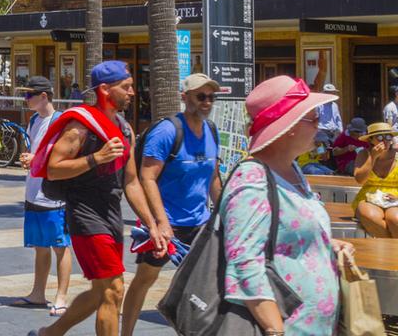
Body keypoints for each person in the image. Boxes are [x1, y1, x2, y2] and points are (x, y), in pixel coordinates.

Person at [27, 61, 163, 336]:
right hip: (84, 214)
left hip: (111, 215)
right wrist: (95, 158)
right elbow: (53, 169)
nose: (132, 92)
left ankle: (50, 333)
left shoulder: (124, 129)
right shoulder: (81, 126)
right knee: (113, 289)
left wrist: (152, 224)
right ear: (105, 89)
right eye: (126, 87)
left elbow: (131, 181)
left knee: (101, 290)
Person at [219, 75, 354, 335]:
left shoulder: (293, 170)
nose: (319, 127)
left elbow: (284, 234)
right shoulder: (252, 179)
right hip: (287, 328)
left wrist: (325, 244)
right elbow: (244, 261)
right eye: (313, 119)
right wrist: (274, 328)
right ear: (289, 125)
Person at [121, 73, 222, 336]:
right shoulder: (167, 131)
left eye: (211, 97)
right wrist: (160, 222)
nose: (207, 102)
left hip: (199, 224)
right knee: (145, 279)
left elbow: (213, 177)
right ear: (185, 97)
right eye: (201, 96)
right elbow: (147, 177)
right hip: (166, 224)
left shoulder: (211, 131)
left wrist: (224, 213)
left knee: (204, 285)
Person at [14, 76, 71, 317]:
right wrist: (31, 158)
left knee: (60, 246)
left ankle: (61, 296)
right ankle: (38, 292)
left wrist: (35, 159)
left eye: (29, 95)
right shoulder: (35, 119)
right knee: (40, 246)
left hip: (54, 195)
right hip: (33, 191)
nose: (25, 99)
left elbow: (63, 157)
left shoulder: (60, 122)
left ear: (44, 96)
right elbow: (38, 151)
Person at [352, 121, 398, 237]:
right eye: (380, 137)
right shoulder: (364, 154)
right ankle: (393, 248)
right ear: (371, 140)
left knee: (395, 219)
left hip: (394, 197)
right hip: (369, 196)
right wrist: (373, 157)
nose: (385, 141)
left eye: (388, 137)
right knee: (370, 217)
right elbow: (360, 180)